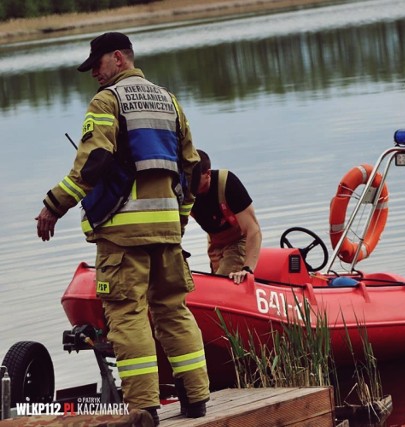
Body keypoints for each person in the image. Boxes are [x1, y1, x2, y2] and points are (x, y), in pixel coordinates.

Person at [35, 32, 209, 425]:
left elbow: (94, 162)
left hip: (122, 233)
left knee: (127, 315)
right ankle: (197, 399)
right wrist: (180, 216)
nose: (94, 72)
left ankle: (143, 409)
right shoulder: (169, 100)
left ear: (119, 58)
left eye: (98, 63)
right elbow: (193, 167)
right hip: (167, 231)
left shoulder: (107, 101)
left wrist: (53, 206)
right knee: (174, 311)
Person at [190, 149, 262, 283]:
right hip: (214, 242)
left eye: (195, 181)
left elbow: (253, 229)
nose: (191, 186)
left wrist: (247, 269)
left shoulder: (227, 183)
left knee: (221, 282)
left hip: (238, 241)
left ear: (208, 174)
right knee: (214, 279)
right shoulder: (185, 190)